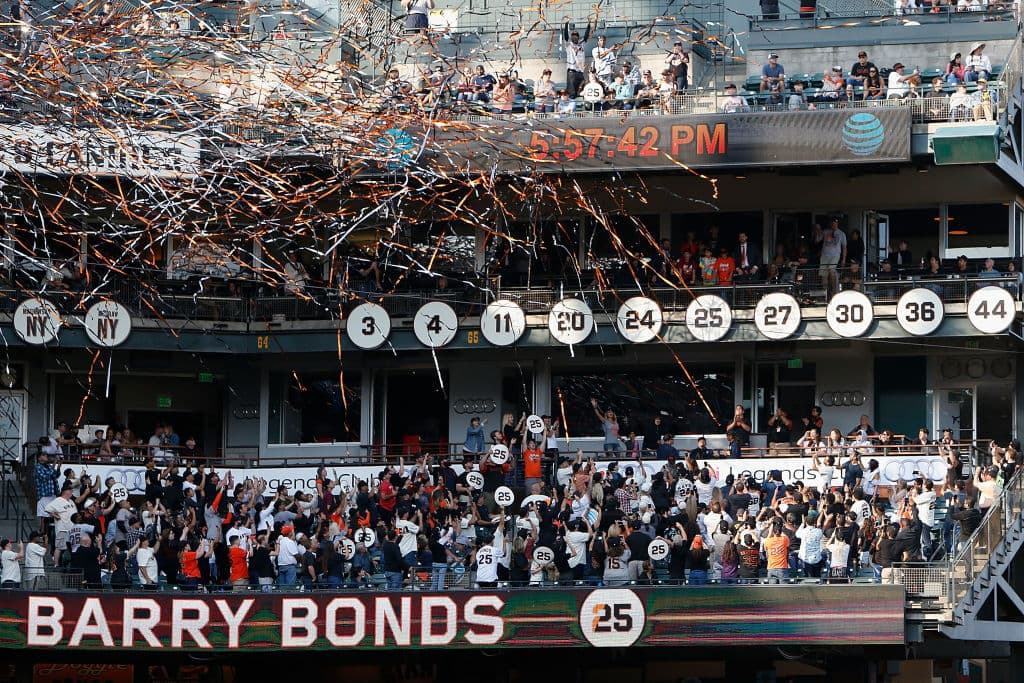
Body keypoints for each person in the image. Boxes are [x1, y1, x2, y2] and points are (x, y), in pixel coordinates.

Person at [816, 218, 847, 298]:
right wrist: (818, 230)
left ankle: (833, 291)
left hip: (835, 255)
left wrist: (843, 259)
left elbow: (844, 247)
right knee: (824, 275)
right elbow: (817, 240)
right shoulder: (826, 231)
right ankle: (825, 293)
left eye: (835, 223)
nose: (833, 225)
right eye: (832, 223)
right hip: (824, 255)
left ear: (837, 224)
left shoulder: (841, 233)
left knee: (832, 270)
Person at [562, 19, 592, 98]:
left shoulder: (581, 44)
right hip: (571, 72)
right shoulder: (569, 44)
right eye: (573, 36)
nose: (574, 38)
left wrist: (589, 24)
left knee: (581, 91)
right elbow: (565, 36)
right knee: (572, 93)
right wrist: (566, 24)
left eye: (576, 36)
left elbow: (586, 36)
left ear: (578, 37)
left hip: (580, 72)